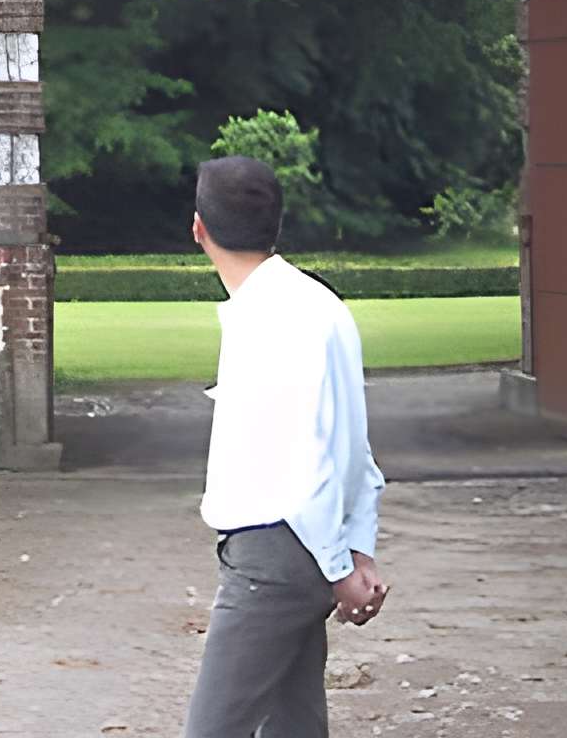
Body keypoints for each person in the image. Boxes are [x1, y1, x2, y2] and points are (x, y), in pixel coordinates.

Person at [182, 153, 389, 738]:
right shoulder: (321, 304)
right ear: (277, 223)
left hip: (273, 558)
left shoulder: (262, 321)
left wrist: (339, 565)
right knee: (295, 727)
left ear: (199, 228)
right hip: (304, 553)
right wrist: (357, 551)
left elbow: (306, 459)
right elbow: (352, 447)